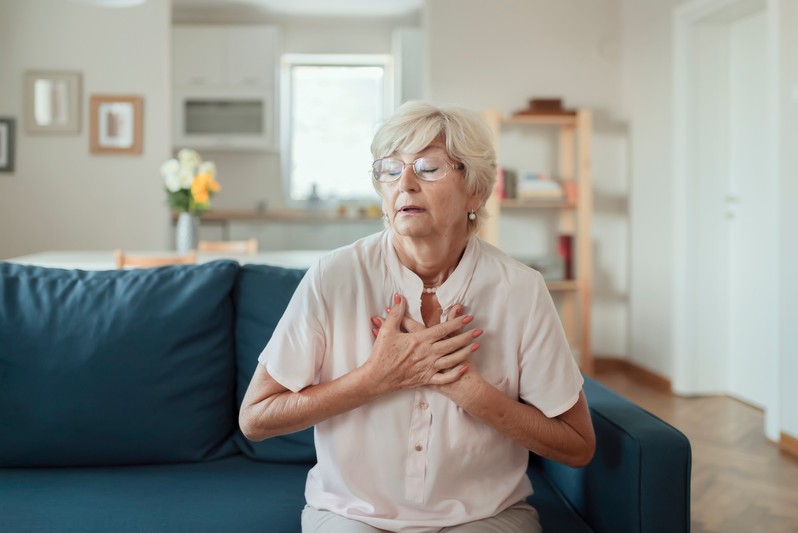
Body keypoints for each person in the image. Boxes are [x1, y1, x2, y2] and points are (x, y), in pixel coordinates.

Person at [239, 101, 595, 532]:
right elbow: (256, 418)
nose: (404, 183)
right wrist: (376, 378)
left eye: (428, 167)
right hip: (349, 514)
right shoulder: (334, 276)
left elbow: (577, 446)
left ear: (476, 191)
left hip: (485, 516)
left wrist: (471, 392)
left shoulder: (520, 289)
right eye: (389, 169)